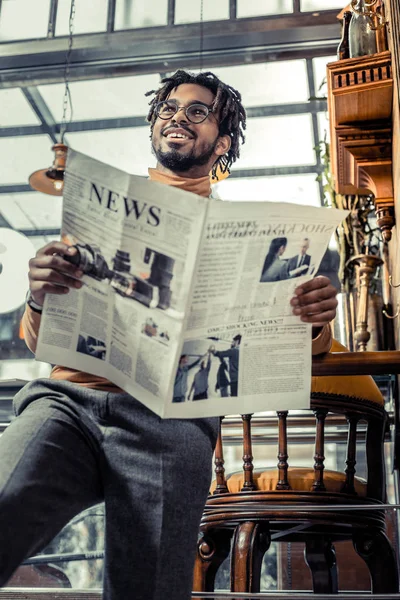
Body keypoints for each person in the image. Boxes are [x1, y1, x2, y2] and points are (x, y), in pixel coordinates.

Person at [0, 70, 337, 600]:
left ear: (221, 143)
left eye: (198, 111)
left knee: (151, 589)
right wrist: (39, 295)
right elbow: (39, 342)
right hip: (69, 402)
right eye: (168, 108)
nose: (178, 115)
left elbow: (303, 347)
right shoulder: (99, 214)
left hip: (172, 423)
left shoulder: (253, 239)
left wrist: (315, 319)